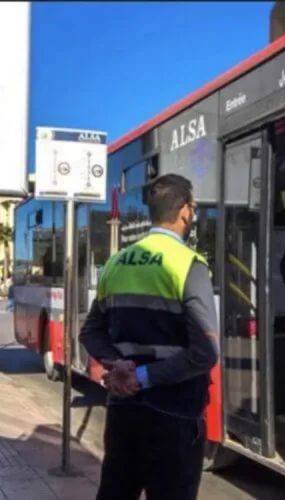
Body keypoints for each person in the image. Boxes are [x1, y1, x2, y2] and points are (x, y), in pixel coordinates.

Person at [79, 173, 219, 500]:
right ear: (185, 211)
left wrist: (118, 366)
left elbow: (90, 332)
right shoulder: (188, 264)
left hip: (123, 411)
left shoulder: (115, 263)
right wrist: (141, 377)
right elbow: (205, 352)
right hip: (174, 415)